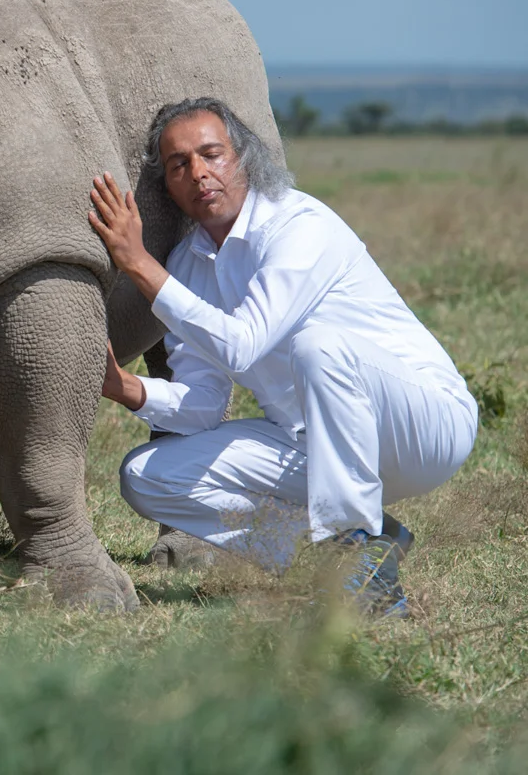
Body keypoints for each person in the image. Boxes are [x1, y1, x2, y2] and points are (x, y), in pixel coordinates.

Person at [88, 96, 477, 617]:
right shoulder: (186, 264)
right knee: (148, 475)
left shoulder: (299, 225)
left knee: (319, 346)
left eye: (212, 154)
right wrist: (127, 388)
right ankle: (363, 552)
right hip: (317, 449)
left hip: (424, 428)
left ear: (245, 158)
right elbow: (205, 404)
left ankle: (356, 556)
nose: (199, 173)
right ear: (167, 186)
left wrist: (138, 264)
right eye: (179, 165)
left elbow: (244, 343)